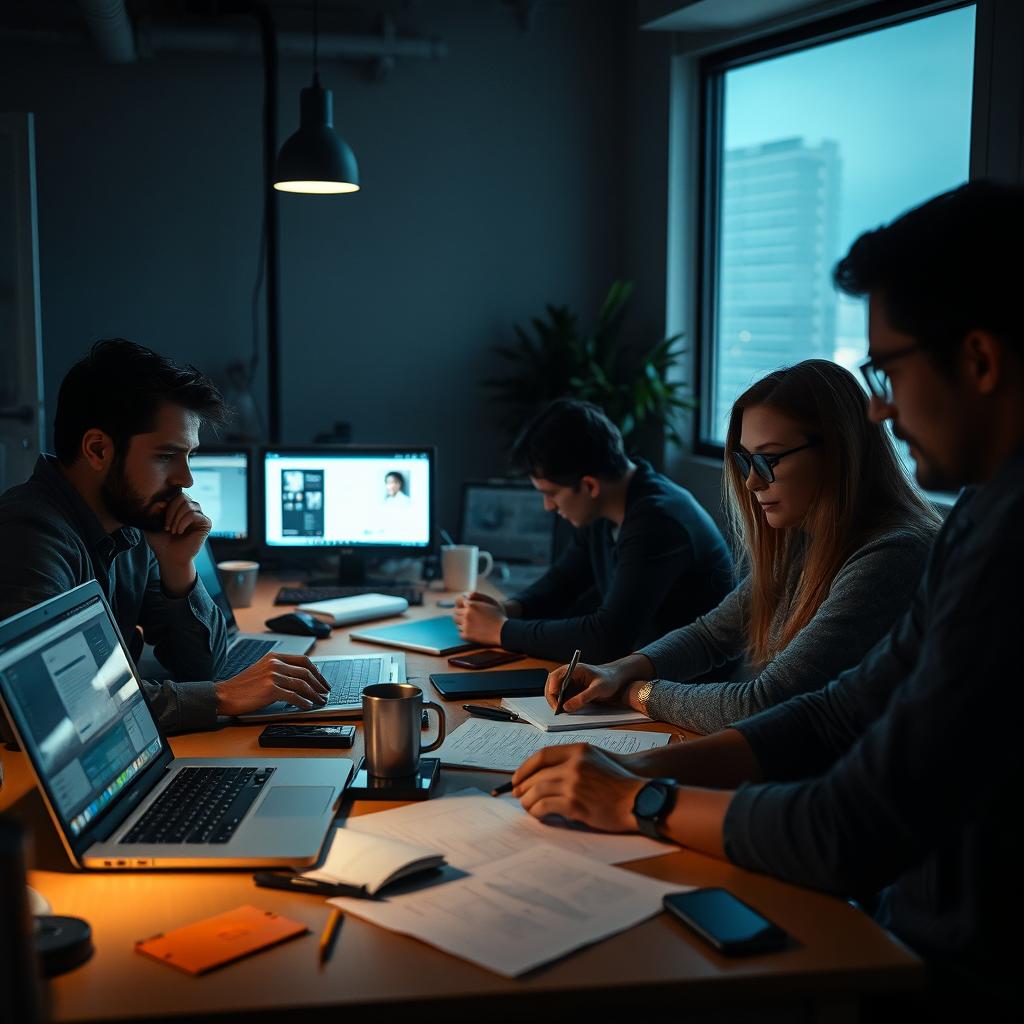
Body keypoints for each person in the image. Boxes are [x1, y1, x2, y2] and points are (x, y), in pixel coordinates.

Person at [508, 181, 1024, 1005]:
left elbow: (847, 825)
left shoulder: (985, 546)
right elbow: (831, 714)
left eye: (888, 371)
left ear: (980, 360)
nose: (883, 409)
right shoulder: (978, 522)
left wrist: (639, 796)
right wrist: (616, 763)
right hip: (903, 925)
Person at [549, 360, 939, 734]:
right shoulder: (807, 539)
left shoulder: (893, 555)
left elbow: (763, 703)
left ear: (839, 451)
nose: (752, 483)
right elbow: (710, 635)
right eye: (745, 461)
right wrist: (617, 670)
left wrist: (633, 691)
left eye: (768, 460)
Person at [0, 340, 329, 735]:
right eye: (165, 456)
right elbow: (57, 708)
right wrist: (222, 698)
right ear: (98, 449)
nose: (186, 479)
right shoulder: (29, 537)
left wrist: (179, 567)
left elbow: (203, 668)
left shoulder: (131, 525)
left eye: (188, 456)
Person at [454, 399, 734, 663]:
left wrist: (500, 631)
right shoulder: (608, 504)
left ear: (589, 486)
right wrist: (508, 609)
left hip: (688, 690)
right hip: (644, 673)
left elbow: (608, 638)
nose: (548, 506)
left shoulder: (657, 521)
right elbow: (562, 582)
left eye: (551, 494)